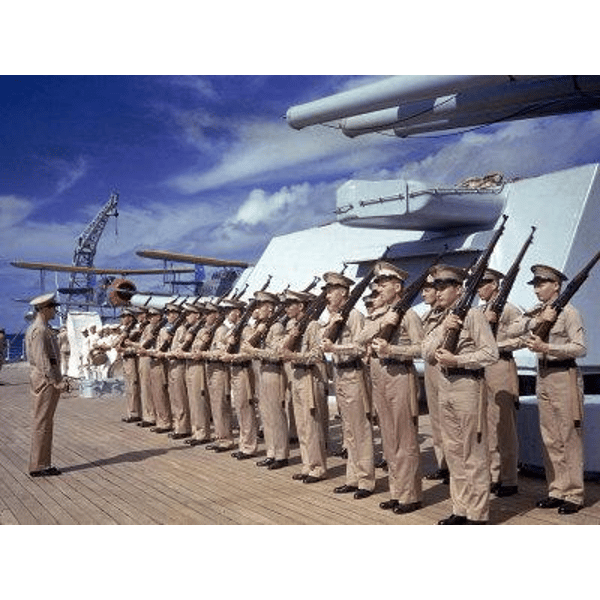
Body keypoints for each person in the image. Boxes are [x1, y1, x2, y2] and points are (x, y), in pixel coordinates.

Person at [422, 265, 499, 524]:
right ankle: (460, 509)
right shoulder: (442, 317)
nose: (439, 292)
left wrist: (458, 360)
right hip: (445, 386)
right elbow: (426, 353)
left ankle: (477, 514)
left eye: (444, 287)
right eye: (437, 287)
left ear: (459, 289)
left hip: (468, 385)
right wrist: (443, 329)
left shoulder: (474, 315)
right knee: (453, 452)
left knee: (473, 453)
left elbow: (491, 353)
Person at [510, 264, 587, 514]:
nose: (536, 290)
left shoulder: (570, 313)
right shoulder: (539, 311)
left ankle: (574, 494)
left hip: (564, 376)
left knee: (569, 437)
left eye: (541, 284)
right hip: (543, 377)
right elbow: (512, 328)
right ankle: (556, 490)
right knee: (550, 437)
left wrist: (547, 348)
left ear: (556, 285)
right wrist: (538, 320)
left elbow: (580, 348)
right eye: (535, 285)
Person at [357, 261, 424, 514]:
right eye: (378, 285)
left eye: (384, 284)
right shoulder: (381, 315)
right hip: (380, 377)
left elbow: (422, 348)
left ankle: (410, 495)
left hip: (400, 375)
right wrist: (384, 320)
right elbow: (360, 338)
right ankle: (397, 492)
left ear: (397, 287)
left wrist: (392, 349)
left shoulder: (410, 315)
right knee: (389, 438)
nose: (379, 289)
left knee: (405, 439)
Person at [321, 271, 375, 499]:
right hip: (340, 374)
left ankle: (366, 481)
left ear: (343, 293)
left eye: (331, 291)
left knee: (360, 430)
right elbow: (322, 342)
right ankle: (352, 478)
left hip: (354, 374)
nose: (327, 295)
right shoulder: (336, 317)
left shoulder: (354, 315)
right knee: (349, 431)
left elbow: (362, 347)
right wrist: (331, 324)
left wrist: (336, 348)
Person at [477, 268, 523, 497]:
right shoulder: (480, 310)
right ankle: (494, 475)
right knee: (488, 425)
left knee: (504, 426)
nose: (478, 288)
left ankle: (509, 479)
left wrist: (498, 346)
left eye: (482, 284)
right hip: (483, 368)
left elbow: (524, 338)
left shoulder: (510, 309)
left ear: (494, 284)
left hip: (501, 366)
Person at [280, 289, 328, 483]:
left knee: (312, 425)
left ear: (301, 306)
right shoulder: (293, 325)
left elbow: (318, 354)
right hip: (297, 376)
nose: (286, 308)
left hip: (309, 376)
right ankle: (307, 465)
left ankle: (318, 467)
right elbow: (281, 349)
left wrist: (295, 356)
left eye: (289, 304)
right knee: (301, 425)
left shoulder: (313, 325)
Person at [242, 291, 289, 470]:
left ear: (270, 309)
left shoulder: (276, 327)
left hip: (273, 372)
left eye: (260, 306)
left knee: (276, 415)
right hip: (262, 371)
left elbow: (276, 354)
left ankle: (281, 454)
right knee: (266, 415)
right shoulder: (261, 327)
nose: (257, 310)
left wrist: (255, 352)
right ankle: (271, 452)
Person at [25, 293, 68, 477]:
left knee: (45, 421)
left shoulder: (43, 329)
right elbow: (42, 360)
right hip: (45, 381)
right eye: (52, 308)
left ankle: (43, 462)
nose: (54, 311)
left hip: (45, 379)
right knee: (42, 422)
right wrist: (55, 382)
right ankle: (38, 465)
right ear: (44, 309)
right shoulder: (40, 331)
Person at [420, 273, 449, 483]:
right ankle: (443, 465)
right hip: (430, 367)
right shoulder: (427, 316)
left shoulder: (452, 315)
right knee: (437, 421)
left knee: (449, 421)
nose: (426, 293)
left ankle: (454, 467)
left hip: (446, 367)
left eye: (429, 289)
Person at [116, 308, 142, 423]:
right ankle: (131, 412)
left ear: (130, 317)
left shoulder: (135, 329)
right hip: (126, 359)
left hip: (132, 359)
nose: (122, 319)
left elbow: (138, 346)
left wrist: (124, 349)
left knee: (133, 386)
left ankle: (135, 412)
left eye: (124, 317)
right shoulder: (125, 330)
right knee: (129, 388)